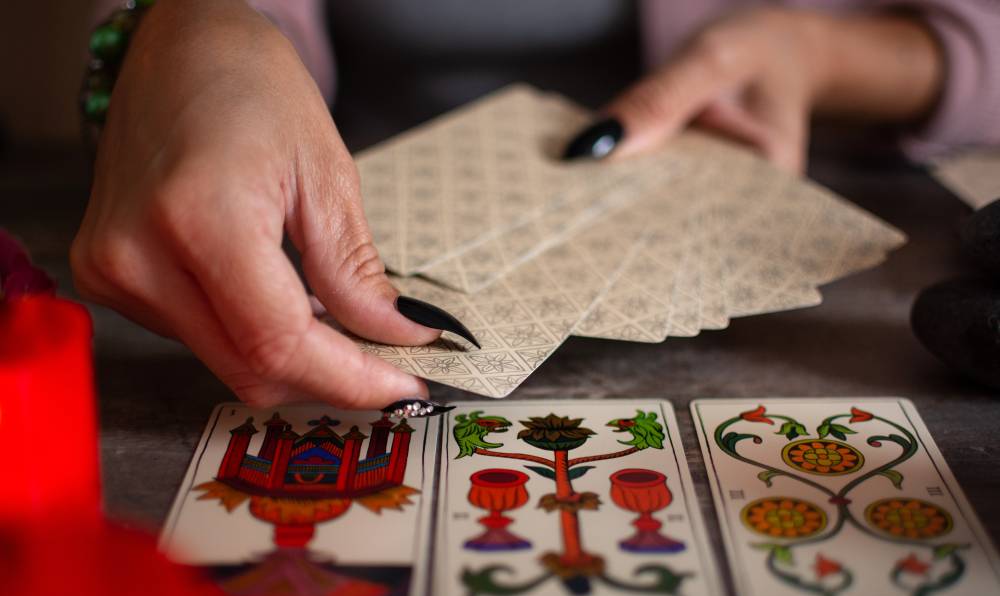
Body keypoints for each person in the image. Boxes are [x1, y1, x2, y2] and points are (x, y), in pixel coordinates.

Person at [72, 0, 999, 410]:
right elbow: (187, 25)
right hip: (309, 222)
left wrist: (831, 56)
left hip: (866, 235)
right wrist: (187, 19)